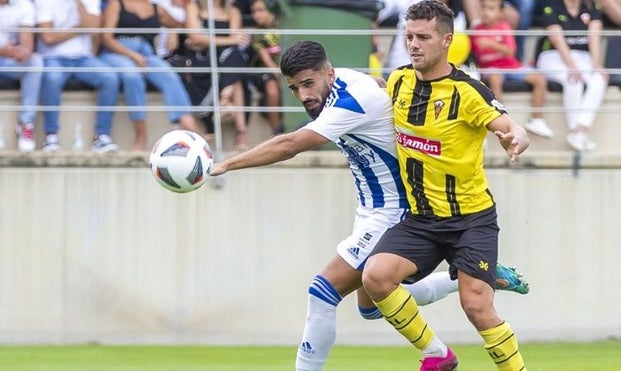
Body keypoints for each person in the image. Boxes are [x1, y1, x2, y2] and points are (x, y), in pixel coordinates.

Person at [209, 40, 529, 371]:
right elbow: (377, 86)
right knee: (372, 306)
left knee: (322, 293)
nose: (303, 95)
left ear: (328, 73)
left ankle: (439, 352)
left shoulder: (350, 100)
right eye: (294, 88)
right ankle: (470, 277)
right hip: (372, 212)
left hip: (393, 213)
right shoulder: (349, 82)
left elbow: (290, 144)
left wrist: (226, 165)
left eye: (308, 83)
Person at [360, 2, 529, 370]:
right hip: (422, 221)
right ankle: (437, 355)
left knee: (476, 307)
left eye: (423, 37)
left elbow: (511, 126)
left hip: (471, 220)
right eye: (409, 37)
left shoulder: (468, 92)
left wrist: (514, 137)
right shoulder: (399, 81)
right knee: (375, 277)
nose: (414, 45)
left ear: (447, 40)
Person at [100, 0, 204, 151]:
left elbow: (178, 23)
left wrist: (173, 31)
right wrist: (132, 55)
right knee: (132, 77)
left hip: (146, 53)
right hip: (117, 52)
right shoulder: (116, 4)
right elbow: (107, 38)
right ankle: (140, 134)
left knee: (168, 75)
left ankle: (189, 126)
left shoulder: (156, 7)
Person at [35, 0, 121, 153]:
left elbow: (94, 29)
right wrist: (80, 28)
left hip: (83, 58)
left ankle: (101, 136)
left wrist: (79, 4)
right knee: (52, 78)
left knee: (110, 78)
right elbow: (48, 37)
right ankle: (51, 136)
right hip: (52, 57)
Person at [470, 0, 553, 138]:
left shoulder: (504, 26)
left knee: (539, 79)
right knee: (495, 78)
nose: (485, 12)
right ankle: (500, 119)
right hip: (490, 69)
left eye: (491, 9)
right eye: (483, 8)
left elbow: (511, 51)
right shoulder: (476, 30)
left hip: (511, 67)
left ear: (501, 13)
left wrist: (491, 44)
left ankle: (537, 119)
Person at [536, 0, 607, 151]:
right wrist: (572, 67)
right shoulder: (551, 5)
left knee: (599, 80)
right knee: (573, 80)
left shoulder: (591, 6)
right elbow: (557, 39)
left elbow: (594, 36)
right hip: (553, 56)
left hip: (582, 56)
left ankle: (580, 130)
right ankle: (575, 130)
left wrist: (597, 64)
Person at [180, 0, 251, 150]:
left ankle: (225, 99)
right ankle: (240, 131)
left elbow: (236, 41)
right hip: (202, 59)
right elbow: (194, 38)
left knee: (235, 56)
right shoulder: (193, 8)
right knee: (235, 77)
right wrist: (227, 40)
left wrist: (208, 40)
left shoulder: (233, 10)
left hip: (226, 57)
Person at [0, 0, 43, 153]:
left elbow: (27, 41)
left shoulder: (24, 4)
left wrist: (22, 52)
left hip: (8, 60)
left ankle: (26, 124)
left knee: (35, 61)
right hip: (4, 54)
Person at [244, 0, 283, 135]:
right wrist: (281, 76)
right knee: (272, 90)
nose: (256, 15)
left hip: (288, 69)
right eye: (254, 11)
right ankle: (276, 131)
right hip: (268, 72)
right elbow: (267, 61)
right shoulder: (257, 34)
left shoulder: (285, 26)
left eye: (261, 10)